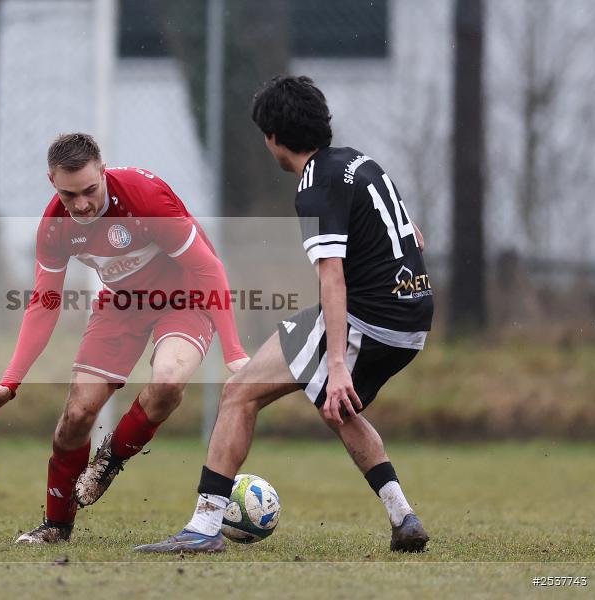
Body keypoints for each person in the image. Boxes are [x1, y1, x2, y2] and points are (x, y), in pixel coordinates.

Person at [135, 75, 433, 553]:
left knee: (238, 394)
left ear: (273, 138)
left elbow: (332, 278)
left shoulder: (314, 186)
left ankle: (204, 528)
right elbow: (413, 233)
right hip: (413, 316)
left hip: (370, 320)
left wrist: (337, 364)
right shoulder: (360, 162)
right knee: (337, 408)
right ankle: (403, 517)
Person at [0, 133, 249, 544]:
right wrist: (10, 382)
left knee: (168, 382)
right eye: (70, 195)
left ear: (103, 171)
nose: (82, 204)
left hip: (186, 297)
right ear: (52, 182)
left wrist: (234, 353)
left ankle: (109, 460)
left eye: (90, 190)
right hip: (121, 303)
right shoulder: (55, 226)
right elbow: (45, 304)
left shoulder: (145, 198)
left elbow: (208, 269)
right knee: (77, 415)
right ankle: (56, 527)